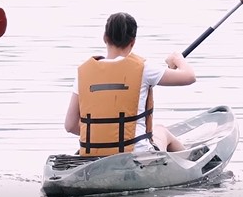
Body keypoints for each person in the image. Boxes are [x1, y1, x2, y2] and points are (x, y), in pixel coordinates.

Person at [63, 12, 195, 156]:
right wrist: (177, 58)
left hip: (94, 156)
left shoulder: (83, 73)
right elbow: (189, 77)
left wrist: (103, 134)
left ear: (105, 38)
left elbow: (70, 125)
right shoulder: (144, 68)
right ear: (133, 42)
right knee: (161, 130)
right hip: (136, 155)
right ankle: (191, 161)